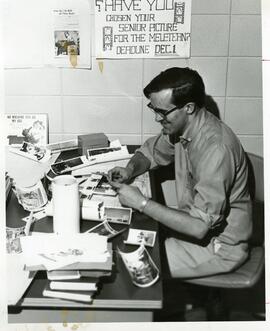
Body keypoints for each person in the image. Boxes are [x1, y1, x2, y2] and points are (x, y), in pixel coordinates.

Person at [108, 67, 252, 279]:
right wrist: (129, 170)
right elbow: (150, 153)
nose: (157, 118)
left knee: (127, 263)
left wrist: (141, 203)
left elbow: (199, 227)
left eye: (163, 112)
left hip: (220, 246)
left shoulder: (216, 149)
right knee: (124, 241)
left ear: (189, 108)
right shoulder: (184, 129)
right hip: (195, 232)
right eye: (153, 109)